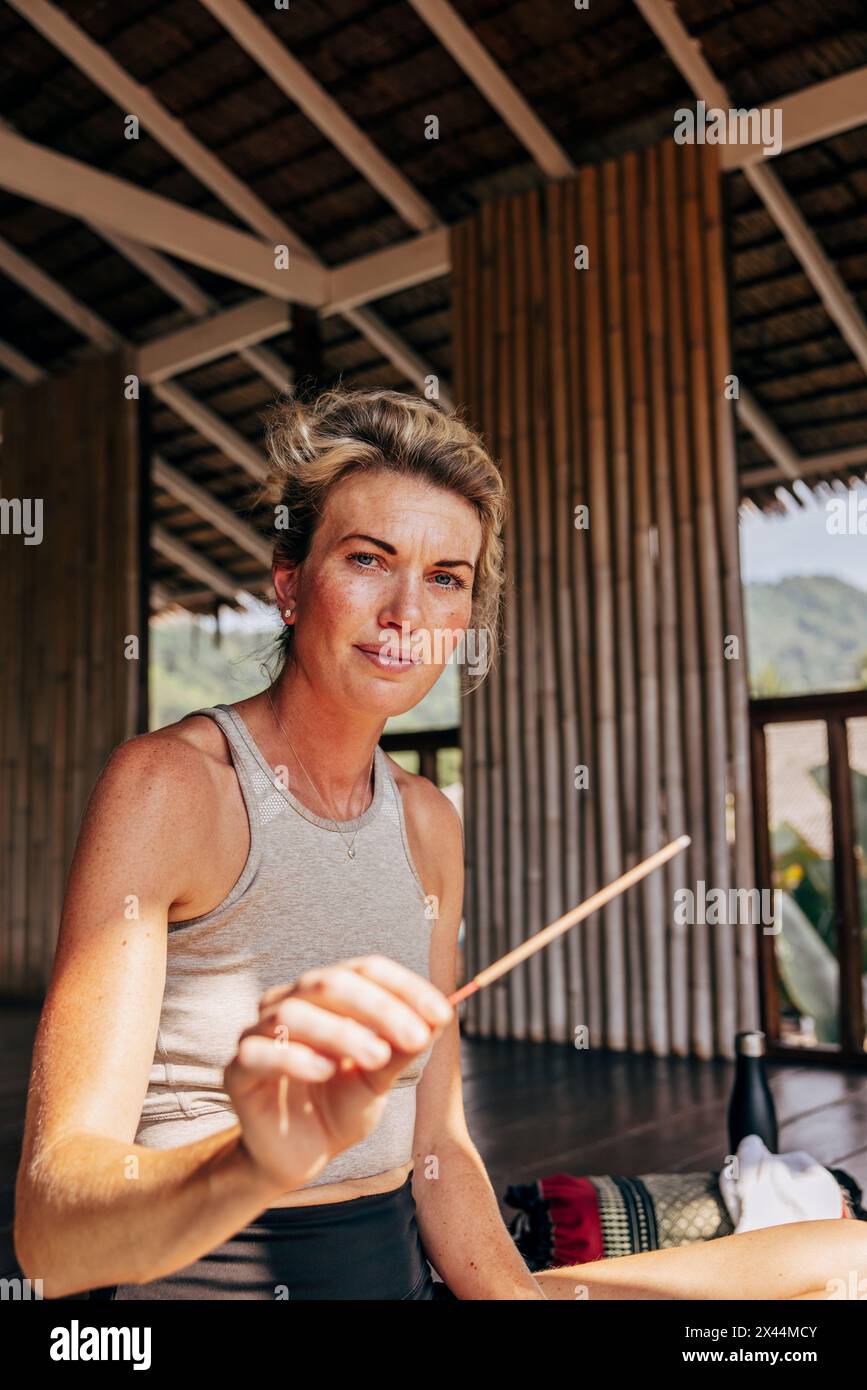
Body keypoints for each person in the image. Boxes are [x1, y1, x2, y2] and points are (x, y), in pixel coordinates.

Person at [13, 387, 867, 1301]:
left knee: (841, 1261)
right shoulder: (170, 788)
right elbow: (52, 1237)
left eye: (446, 577)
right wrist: (255, 1157)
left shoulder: (426, 824)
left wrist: (517, 1301)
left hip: (401, 1281)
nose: (406, 611)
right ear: (290, 582)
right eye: (368, 559)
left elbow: (437, 1147)